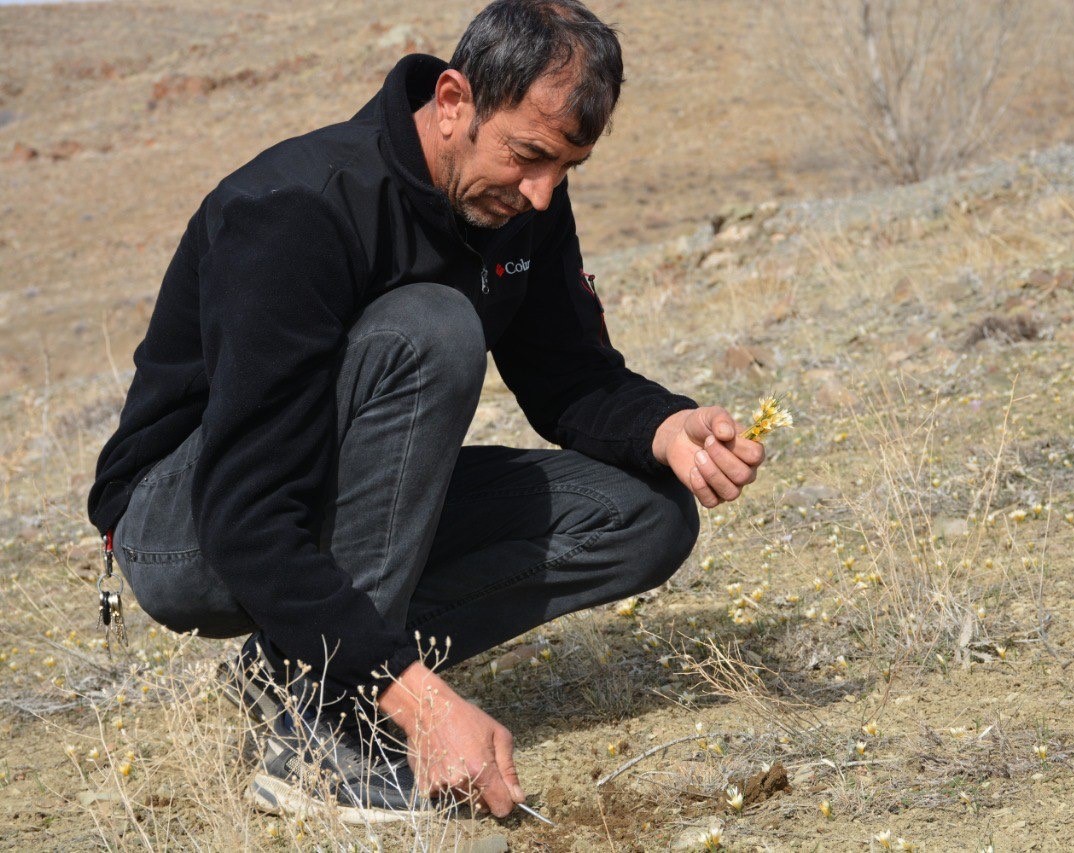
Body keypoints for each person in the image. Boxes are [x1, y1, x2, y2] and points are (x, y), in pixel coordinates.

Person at [87, 0, 765, 823]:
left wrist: (665, 428)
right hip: (187, 529)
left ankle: (291, 670)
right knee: (432, 327)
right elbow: (246, 513)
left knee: (646, 514)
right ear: (453, 102)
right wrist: (420, 701)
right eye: (528, 156)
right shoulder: (295, 209)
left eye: (566, 168)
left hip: (313, 509)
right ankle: (332, 733)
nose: (544, 193)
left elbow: (568, 377)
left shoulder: (520, 205)